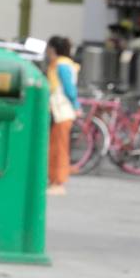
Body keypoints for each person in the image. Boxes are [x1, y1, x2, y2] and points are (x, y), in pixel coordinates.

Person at [46, 35, 80, 194]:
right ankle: (54, 180)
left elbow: (69, 89)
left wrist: (76, 105)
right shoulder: (62, 64)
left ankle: (58, 182)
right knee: (56, 147)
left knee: (59, 148)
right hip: (59, 111)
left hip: (61, 111)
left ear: (52, 49)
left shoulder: (61, 65)